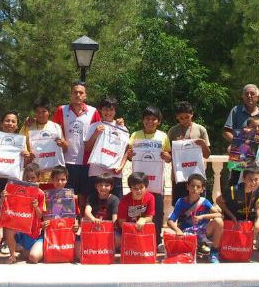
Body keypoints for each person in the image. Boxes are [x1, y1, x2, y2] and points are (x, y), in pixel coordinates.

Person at [0, 110, 30, 255]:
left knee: (10, 209)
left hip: (13, 179)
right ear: (1, 123)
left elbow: (26, 162)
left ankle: (6, 240)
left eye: (13, 121)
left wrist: (27, 155)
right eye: (7, 120)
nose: (10, 124)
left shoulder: (21, 141)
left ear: (17, 125)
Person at [127, 106, 171, 248]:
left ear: (158, 121)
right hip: (138, 185)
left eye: (153, 119)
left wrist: (167, 156)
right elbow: (128, 155)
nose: (150, 122)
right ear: (142, 120)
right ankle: (137, 240)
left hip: (156, 183)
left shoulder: (163, 136)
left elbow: (169, 158)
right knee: (136, 211)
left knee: (157, 213)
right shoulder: (135, 135)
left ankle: (156, 241)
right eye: (147, 119)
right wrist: (129, 155)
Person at [52, 81, 101, 210]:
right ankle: (67, 221)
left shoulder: (93, 111)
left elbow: (102, 130)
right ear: (71, 94)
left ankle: (81, 222)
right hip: (66, 160)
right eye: (75, 92)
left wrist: (118, 124)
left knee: (84, 195)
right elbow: (54, 129)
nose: (78, 95)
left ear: (85, 95)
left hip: (86, 161)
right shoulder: (61, 110)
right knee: (67, 195)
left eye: (81, 92)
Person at [223, 84, 259, 185]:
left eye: (252, 93)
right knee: (236, 187)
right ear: (242, 97)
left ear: (258, 97)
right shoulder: (236, 110)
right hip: (240, 155)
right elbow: (226, 132)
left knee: (258, 188)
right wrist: (236, 143)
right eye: (246, 94)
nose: (249, 96)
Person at [216, 167, 259, 263]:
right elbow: (218, 201)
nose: (253, 183)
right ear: (244, 179)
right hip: (232, 219)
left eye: (256, 180)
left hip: (247, 217)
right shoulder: (234, 190)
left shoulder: (257, 189)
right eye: (250, 180)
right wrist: (231, 216)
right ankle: (217, 250)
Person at [167, 174, 223, 263]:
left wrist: (202, 217)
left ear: (202, 189)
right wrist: (177, 230)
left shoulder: (204, 202)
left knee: (219, 221)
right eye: (192, 186)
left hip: (202, 231)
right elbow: (170, 221)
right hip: (186, 232)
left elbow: (219, 215)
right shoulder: (181, 202)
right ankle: (198, 247)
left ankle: (214, 252)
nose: (195, 189)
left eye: (198, 187)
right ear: (187, 187)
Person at [167, 101, 211, 205]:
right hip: (179, 176)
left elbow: (207, 155)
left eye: (187, 117)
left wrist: (203, 145)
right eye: (181, 118)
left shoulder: (200, 129)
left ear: (192, 114)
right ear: (177, 117)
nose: (184, 120)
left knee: (199, 206)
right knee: (179, 207)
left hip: (197, 176)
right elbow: (169, 154)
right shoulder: (173, 131)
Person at [84, 96, 128, 199]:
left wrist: (120, 167)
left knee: (116, 203)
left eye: (111, 109)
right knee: (93, 203)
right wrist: (96, 133)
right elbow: (87, 148)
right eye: (105, 109)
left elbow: (126, 150)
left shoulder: (122, 128)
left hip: (114, 173)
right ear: (100, 110)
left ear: (115, 111)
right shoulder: (94, 126)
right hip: (96, 172)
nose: (108, 112)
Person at [4, 163, 45, 264]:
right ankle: (12, 256)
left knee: (33, 257)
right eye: (27, 177)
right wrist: (4, 197)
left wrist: (35, 207)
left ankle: (31, 249)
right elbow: (9, 210)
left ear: (38, 178)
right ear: (23, 177)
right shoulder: (18, 190)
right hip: (21, 233)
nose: (30, 180)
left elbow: (40, 216)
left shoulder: (41, 193)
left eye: (33, 177)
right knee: (9, 229)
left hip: (34, 234)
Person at [20, 96, 67, 185]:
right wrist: (27, 154)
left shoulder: (56, 127)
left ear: (49, 112)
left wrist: (63, 144)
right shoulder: (28, 125)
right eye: (37, 112)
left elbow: (65, 149)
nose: (40, 114)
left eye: (44, 111)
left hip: (53, 176)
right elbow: (20, 144)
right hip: (33, 175)